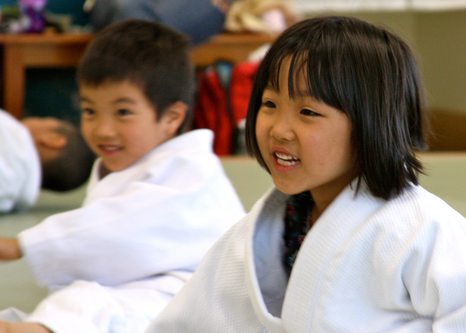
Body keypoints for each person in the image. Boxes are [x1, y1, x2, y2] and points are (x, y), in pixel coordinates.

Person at [147, 16, 466, 332]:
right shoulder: (263, 230)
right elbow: (188, 322)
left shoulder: (421, 229)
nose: (279, 130)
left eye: (308, 112)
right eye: (269, 104)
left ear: (373, 122)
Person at [0, 19, 245, 333]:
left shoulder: (192, 170)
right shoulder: (120, 163)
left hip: (197, 303)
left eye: (123, 112)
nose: (102, 130)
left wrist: (20, 246)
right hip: (142, 290)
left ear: (172, 117)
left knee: (90, 304)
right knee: (80, 299)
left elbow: (120, 228)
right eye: (90, 111)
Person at [0, 109, 95, 213]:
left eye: (43, 119)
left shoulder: (13, 133)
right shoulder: (8, 197)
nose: (35, 117)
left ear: (54, 140)